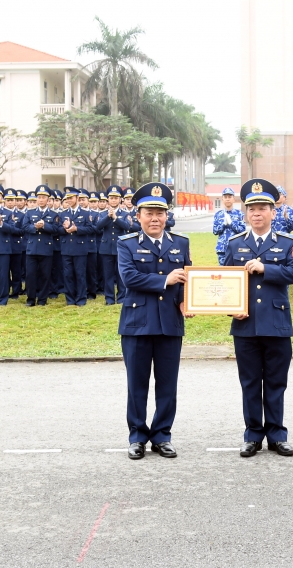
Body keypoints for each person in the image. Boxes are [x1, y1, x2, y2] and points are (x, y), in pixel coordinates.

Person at [222, 178, 293, 457]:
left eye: (262, 208)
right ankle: (253, 435)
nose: (257, 213)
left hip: (276, 323)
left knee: (276, 381)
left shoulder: (287, 242)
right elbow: (224, 282)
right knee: (249, 382)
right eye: (252, 209)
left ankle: (277, 434)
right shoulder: (234, 244)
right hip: (245, 324)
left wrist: (265, 268)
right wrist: (229, 306)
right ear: (246, 213)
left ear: (273, 211)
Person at [116, 182, 192, 460]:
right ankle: (137, 437)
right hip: (137, 324)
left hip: (170, 323)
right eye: (149, 213)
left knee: (167, 384)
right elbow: (129, 278)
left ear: (167, 216)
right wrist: (165, 280)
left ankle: (162, 436)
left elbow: (187, 278)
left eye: (160, 213)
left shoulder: (180, 243)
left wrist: (187, 299)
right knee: (137, 384)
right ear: (138, 216)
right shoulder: (126, 244)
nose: (155, 218)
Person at [94, 185, 132, 305]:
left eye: (116, 198)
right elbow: (98, 226)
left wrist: (115, 218)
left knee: (120, 274)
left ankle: (121, 298)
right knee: (108, 275)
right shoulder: (102, 213)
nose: (114, 200)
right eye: (111, 198)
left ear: (120, 199)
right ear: (108, 199)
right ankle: (109, 298)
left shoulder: (125, 213)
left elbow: (127, 227)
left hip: (120, 248)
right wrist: (108, 217)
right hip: (106, 248)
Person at [22, 185, 58, 307]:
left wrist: (44, 226)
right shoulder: (30, 213)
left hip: (46, 249)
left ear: (48, 200)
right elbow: (25, 227)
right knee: (30, 275)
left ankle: (42, 299)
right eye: (39, 197)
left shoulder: (53, 214)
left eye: (43, 197)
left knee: (45, 274)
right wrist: (34, 227)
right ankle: (31, 299)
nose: (41, 200)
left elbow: (56, 229)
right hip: (32, 249)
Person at [212, 188, 246, 266]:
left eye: (230, 197)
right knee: (223, 272)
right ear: (222, 199)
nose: (228, 199)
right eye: (225, 197)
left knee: (236, 271)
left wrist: (231, 224)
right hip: (222, 248)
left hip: (236, 248)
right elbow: (215, 231)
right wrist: (223, 224)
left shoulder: (239, 214)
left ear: (234, 199)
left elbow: (242, 230)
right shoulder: (218, 214)